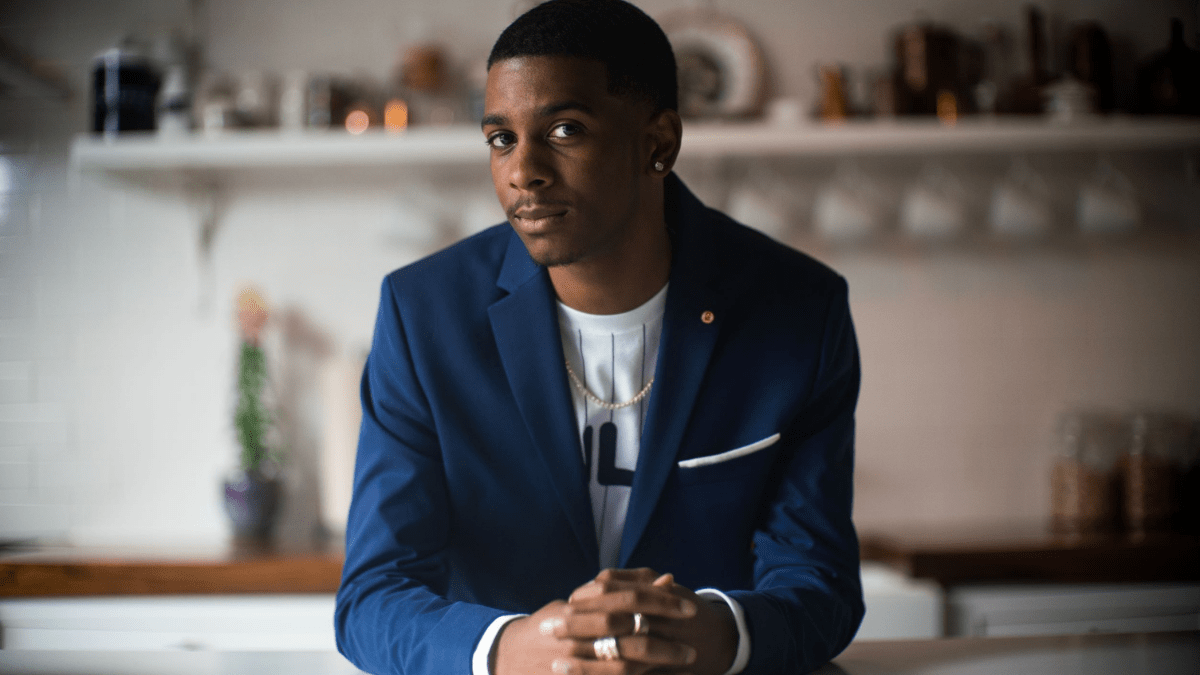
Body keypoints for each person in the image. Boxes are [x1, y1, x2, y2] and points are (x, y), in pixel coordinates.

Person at [334, 1, 864, 673]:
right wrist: (510, 648)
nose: (523, 171)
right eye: (501, 138)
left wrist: (718, 635)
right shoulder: (423, 316)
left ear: (658, 143)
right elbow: (372, 597)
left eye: (565, 130)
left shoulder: (800, 311)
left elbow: (821, 584)